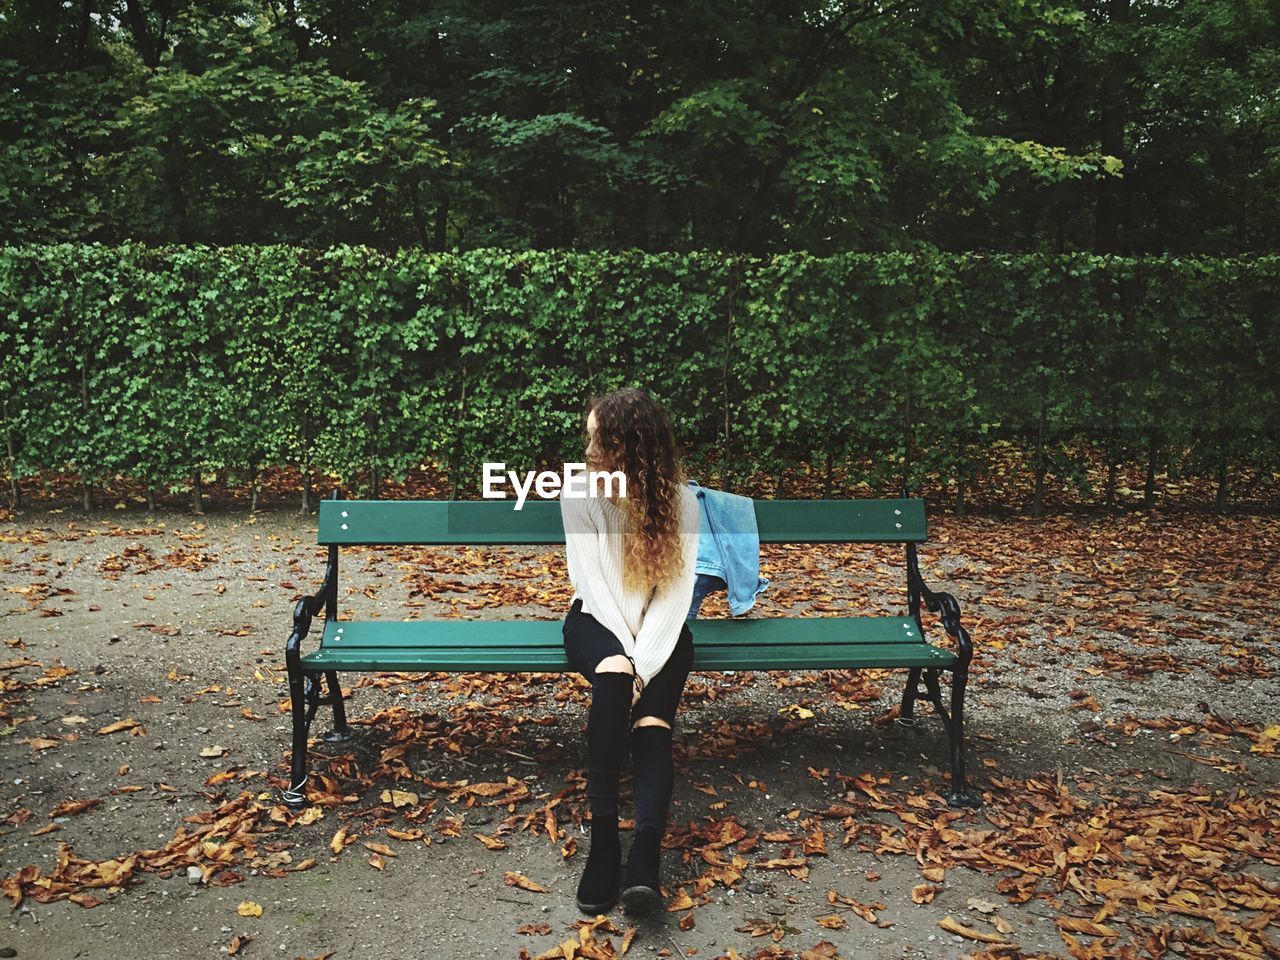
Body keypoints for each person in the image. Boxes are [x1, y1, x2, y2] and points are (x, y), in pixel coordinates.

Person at [560, 387, 699, 916]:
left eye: (601, 440)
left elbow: (676, 596)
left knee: (652, 726)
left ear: (632, 447)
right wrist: (629, 663)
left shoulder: (681, 501)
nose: (589, 449)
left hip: (662, 635)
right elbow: (593, 587)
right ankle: (603, 843)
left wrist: (646, 661)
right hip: (595, 623)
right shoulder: (578, 493)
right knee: (614, 675)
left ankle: (644, 858)